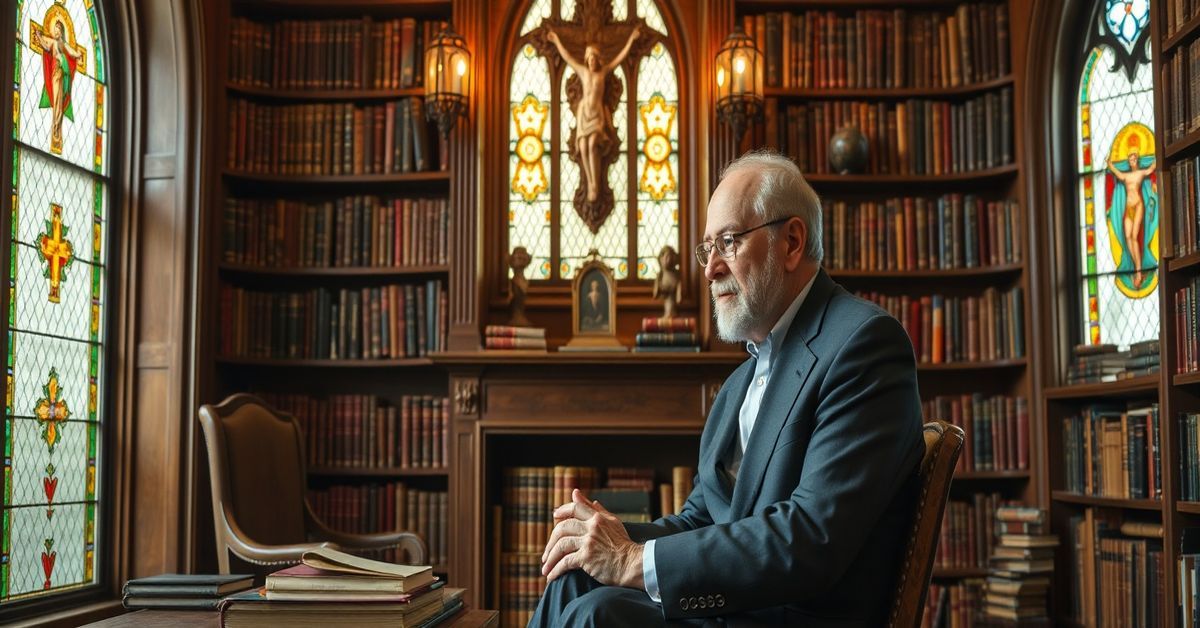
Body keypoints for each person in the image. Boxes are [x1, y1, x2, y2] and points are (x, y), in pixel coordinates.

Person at [530, 151, 925, 626]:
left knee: (600, 614)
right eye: (706, 249)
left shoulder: (862, 344)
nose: (710, 268)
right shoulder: (741, 380)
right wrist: (605, 537)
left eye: (728, 242)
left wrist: (632, 560)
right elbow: (701, 520)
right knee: (575, 577)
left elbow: (811, 538)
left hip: (795, 615)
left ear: (792, 242)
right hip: (740, 607)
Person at [546, 25, 640, 204]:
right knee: (582, 146)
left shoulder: (602, 73)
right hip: (584, 114)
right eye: (589, 59)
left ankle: (595, 183)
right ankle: (590, 183)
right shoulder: (582, 72)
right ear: (587, 59)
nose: (591, 62)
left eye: (593, 59)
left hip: (597, 114)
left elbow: (619, 58)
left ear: (597, 59)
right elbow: (567, 56)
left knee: (591, 145)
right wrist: (556, 40)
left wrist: (631, 40)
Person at [1106, 151, 1157, 289]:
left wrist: (1157, 156)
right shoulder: (1126, 175)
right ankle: (1137, 267)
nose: (1132, 161)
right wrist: (1109, 163)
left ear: (1137, 161)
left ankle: (1138, 272)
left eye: (1134, 159)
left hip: (1138, 205)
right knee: (1128, 236)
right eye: (1130, 159)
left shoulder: (1140, 173)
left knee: (1134, 237)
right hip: (1128, 208)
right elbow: (1117, 173)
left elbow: (1151, 169)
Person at [36, 16, 84, 154]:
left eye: (58, 30)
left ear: (62, 32)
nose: (56, 32)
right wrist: (39, 36)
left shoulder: (63, 44)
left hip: (62, 76)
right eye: (55, 29)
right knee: (56, 101)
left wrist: (78, 54)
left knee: (61, 104)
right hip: (55, 75)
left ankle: (57, 128)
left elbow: (72, 52)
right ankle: (55, 128)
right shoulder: (52, 42)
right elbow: (45, 46)